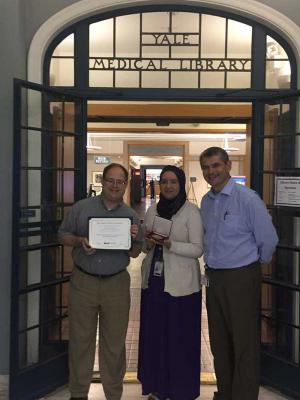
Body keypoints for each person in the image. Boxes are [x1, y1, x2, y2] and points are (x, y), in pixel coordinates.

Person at [58, 163, 143, 400]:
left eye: (120, 182)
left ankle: (113, 394)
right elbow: (62, 234)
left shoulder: (131, 216)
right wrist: (79, 241)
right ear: (103, 182)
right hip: (83, 282)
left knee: (114, 344)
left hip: (116, 284)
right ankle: (78, 394)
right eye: (110, 180)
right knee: (80, 340)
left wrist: (135, 239)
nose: (115, 185)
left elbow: (136, 252)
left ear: (125, 185)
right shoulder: (81, 208)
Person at [199, 147, 278, 400]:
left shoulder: (247, 199)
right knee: (219, 341)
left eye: (215, 166)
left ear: (228, 165)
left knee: (244, 343)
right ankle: (225, 392)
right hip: (214, 278)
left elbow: (269, 239)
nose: (211, 172)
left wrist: (254, 265)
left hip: (241, 277)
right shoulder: (206, 201)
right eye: (206, 167)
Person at [138, 165, 204, 400]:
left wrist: (170, 245)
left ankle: (181, 390)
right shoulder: (153, 210)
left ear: (181, 184)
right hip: (155, 284)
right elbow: (146, 247)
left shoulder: (191, 212)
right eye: (164, 181)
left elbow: (198, 249)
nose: (168, 186)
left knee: (180, 340)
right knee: (156, 336)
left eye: (173, 181)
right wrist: (146, 241)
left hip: (183, 288)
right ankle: (157, 387)